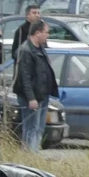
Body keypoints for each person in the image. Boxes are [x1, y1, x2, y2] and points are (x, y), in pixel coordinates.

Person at [14, 20, 58, 152]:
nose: (47, 35)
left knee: (39, 128)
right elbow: (25, 78)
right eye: (46, 32)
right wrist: (31, 98)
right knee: (31, 128)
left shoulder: (40, 48)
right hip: (31, 96)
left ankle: (35, 153)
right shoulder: (25, 50)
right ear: (37, 33)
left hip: (43, 94)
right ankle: (29, 156)